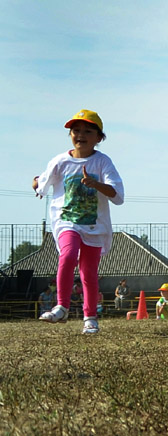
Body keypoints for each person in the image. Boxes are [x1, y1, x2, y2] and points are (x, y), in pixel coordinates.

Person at [33, 109, 125, 335]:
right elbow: (41, 183)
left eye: (88, 130)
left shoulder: (103, 162)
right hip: (66, 222)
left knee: (88, 273)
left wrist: (96, 185)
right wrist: (35, 182)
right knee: (67, 254)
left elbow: (118, 195)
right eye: (76, 130)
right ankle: (62, 306)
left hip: (94, 226)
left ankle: (90, 317)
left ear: (99, 138)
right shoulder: (60, 161)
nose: (80, 134)